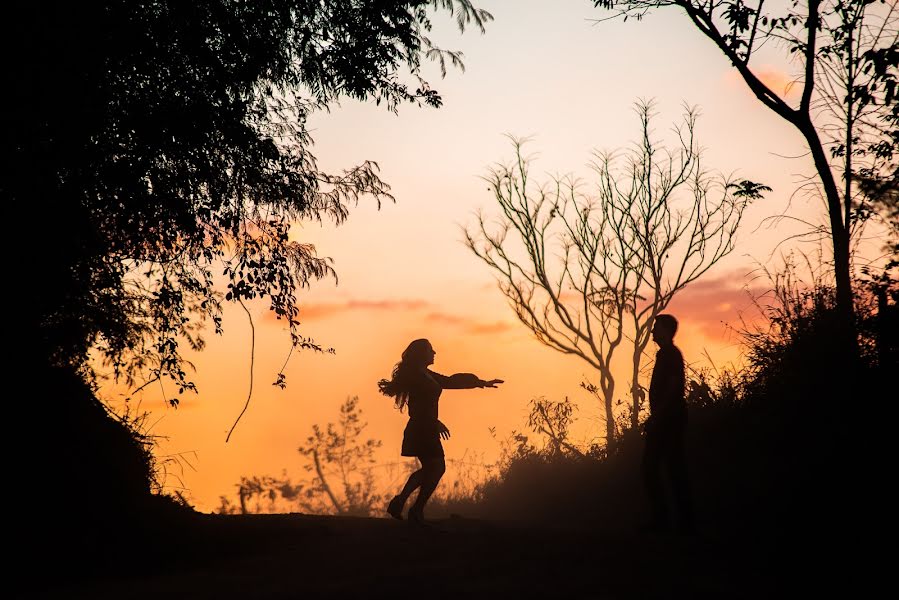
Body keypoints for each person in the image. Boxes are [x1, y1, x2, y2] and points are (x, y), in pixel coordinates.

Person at [378, 338, 503, 526]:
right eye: (430, 350)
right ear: (421, 354)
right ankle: (411, 507)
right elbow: (417, 408)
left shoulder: (426, 374)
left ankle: (405, 504)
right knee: (435, 468)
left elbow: (450, 381)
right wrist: (435, 422)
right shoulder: (417, 376)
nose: (434, 353)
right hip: (421, 428)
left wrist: (480, 382)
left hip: (426, 428)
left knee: (433, 468)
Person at [642, 314, 693, 533]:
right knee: (670, 469)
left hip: (669, 420)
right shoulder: (666, 354)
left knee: (655, 467)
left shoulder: (670, 354)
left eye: (656, 327)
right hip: (667, 418)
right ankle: (677, 521)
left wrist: (657, 417)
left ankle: (669, 521)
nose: (652, 331)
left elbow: (673, 389)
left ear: (665, 330)